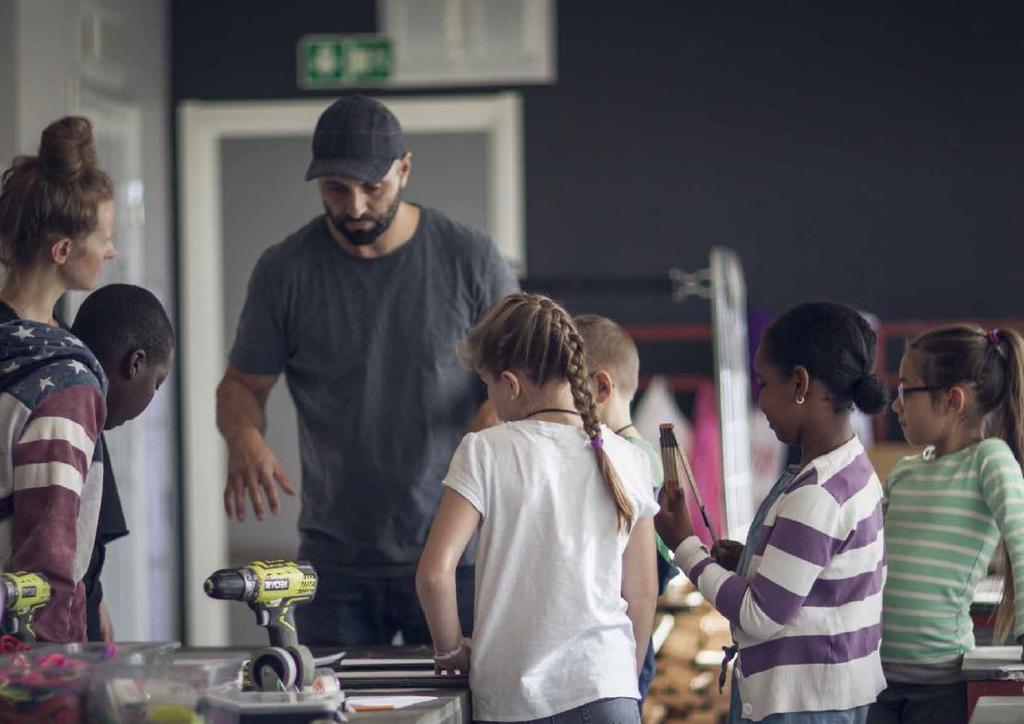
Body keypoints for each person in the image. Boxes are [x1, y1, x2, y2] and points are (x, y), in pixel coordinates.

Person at [217, 95, 519, 646]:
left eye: (372, 187)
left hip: (460, 552)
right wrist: (243, 436)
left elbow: (522, 382)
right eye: (336, 188)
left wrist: (488, 429)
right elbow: (242, 384)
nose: (354, 205)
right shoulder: (285, 270)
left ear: (403, 169)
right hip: (337, 562)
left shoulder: (470, 258)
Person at [416, 293, 659, 724]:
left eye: (487, 387)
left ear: (509, 384)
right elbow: (640, 593)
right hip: (610, 693)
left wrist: (451, 650)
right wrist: (621, 677)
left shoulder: (485, 451)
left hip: (516, 702)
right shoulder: (630, 458)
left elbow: (435, 573)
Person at [656, 301, 888, 723]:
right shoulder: (844, 469)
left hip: (803, 706)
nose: (759, 401)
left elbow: (759, 615)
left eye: (764, 384)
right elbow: (815, 580)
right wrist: (748, 561)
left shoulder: (818, 492)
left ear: (799, 383)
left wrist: (685, 546)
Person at [869, 326, 1024, 724]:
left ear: (952, 399)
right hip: (873, 679)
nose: (896, 406)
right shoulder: (904, 471)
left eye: (905, 391)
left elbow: (1021, 541)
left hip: (940, 686)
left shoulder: (988, 459)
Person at [0, 116, 117, 642]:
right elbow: (46, 556)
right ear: (64, 251)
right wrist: (56, 675)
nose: (110, 252)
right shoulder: (61, 383)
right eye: (105, 239)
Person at [575, 313, 678, 705]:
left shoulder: (627, 459)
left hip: (625, 638)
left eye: (568, 391)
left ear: (601, 387)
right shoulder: (641, 454)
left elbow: (646, 576)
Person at [70, 283, 175, 642]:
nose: (152, 396)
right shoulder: (67, 420)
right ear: (136, 363)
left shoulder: (85, 414)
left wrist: (95, 598)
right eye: (156, 383)